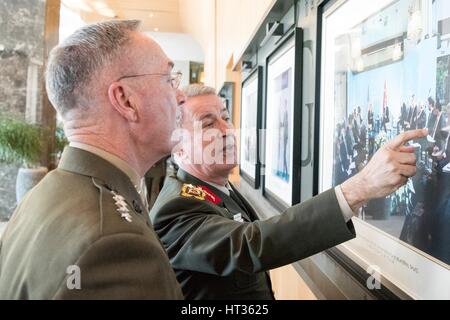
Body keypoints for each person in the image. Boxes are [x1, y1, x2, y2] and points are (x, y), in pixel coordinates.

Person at [150, 84, 427, 300]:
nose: (227, 130)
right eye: (208, 124)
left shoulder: (214, 184)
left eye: (226, 117)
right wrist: (359, 188)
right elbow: (252, 244)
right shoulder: (176, 207)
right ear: (178, 146)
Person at [0, 20, 185, 299]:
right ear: (126, 100)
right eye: (169, 79)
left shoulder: (43, 193)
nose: (181, 96)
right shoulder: (113, 246)